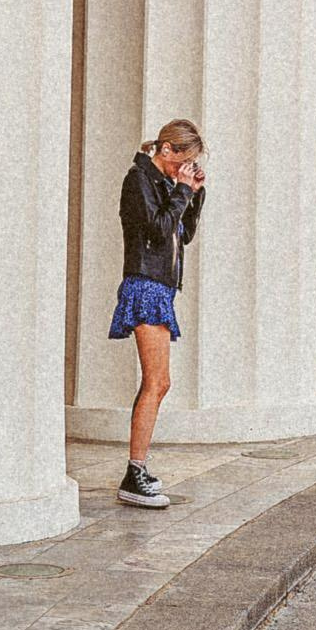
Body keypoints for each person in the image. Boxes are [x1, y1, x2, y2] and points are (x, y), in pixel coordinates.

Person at [108, 119, 206, 509]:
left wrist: (194, 195)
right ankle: (135, 473)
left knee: (160, 382)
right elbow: (156, 229)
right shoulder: (138, 180)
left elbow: (182, 234)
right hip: (144, 285)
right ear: (166, 150)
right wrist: (181, 190)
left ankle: (138, 468)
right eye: (183, 160)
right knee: (156, 382)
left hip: (160, 287)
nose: (184, 168)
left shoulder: (163, 184)